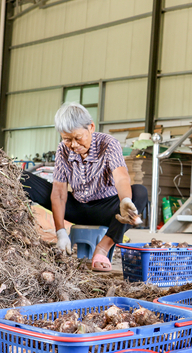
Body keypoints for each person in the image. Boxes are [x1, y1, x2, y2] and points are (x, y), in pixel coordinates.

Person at [21, 102, 148, 271]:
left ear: (91, 127)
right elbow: (59, 193)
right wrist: (60, 233)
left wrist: (125, 200)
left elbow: (121, 177)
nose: (73, 145)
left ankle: (102, 248)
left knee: (140, 192)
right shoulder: (62, 150)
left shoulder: (108, 144)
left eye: (77, 138)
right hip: (77, 208)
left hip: (108, 210)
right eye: (67, 139)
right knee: (23, 177)